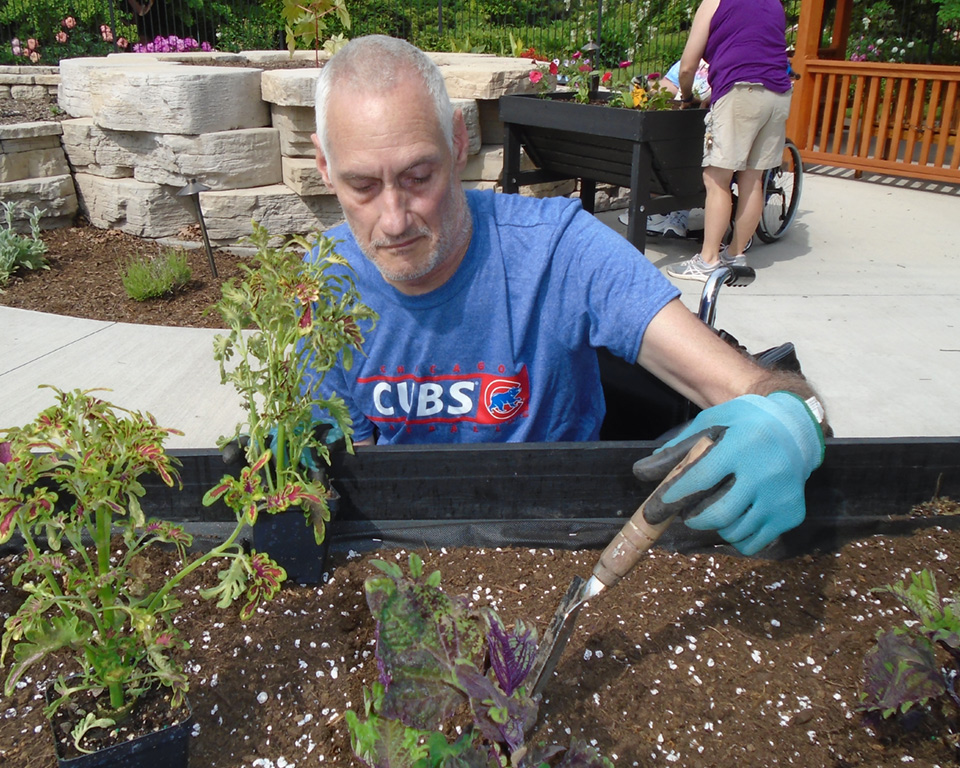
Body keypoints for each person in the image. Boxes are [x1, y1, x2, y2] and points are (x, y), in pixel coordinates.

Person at [305, 35, 827, 556]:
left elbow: (746, 385)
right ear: (325, 168)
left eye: (419, 177)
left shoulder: (559, 248)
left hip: (560, 534)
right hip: (414, 547)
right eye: (363, 187)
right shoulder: (322, 282)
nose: (394, 220)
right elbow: (356, 480)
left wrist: (792, 423)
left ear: (458, 143)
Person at [666, 0, 792, 282]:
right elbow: (756, 52)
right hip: (778, 96)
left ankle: (708, 259)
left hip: (741, 91)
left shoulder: (714, 2)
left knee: (717, 179)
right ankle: (735, 255)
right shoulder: (774, 4)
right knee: (752, 179)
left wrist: (687, 97)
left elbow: (687, 67)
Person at [617, 58, 711, 239]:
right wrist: (648, 86)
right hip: (679, 123)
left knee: (685, 150)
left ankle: (679, 214)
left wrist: (694, 98)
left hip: (703, 126)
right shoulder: (693, 60)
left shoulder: (726, 59)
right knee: (658, 146)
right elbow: (671, 86)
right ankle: (660, 213)